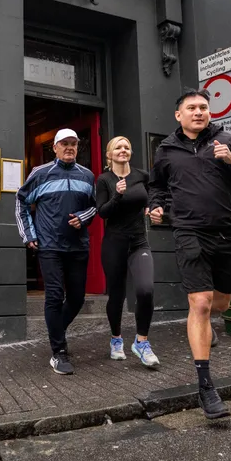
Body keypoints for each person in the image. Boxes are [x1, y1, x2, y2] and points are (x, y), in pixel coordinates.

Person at [148, 88, 231, 420]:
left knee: (220, 304)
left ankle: (207, 331)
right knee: (199, 303)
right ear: (178, 115)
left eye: (203, 107)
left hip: (226, 232)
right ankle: (206, 386)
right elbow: (158, 186)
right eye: (191, 108)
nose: (198, 112)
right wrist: (155, 206)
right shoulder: (166, 150)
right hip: (189, 232)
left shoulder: (226, 140)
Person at [15, 128, 97, 375]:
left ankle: (55, 331)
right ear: (55, 147)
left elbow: (95, 207)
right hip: (49, 245)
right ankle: (58, 351)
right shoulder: (40, 173)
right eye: (65, 143)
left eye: (74, 143)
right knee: (53, 297)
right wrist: (28, 235)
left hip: (78, 246)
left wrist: (83, 217)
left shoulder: (87, 175)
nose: (70, 147)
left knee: (77, 299)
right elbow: (21, 202)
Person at [96, 136, 158, 367]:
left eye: (127, 147)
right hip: (114, 244)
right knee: (117, 296)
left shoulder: (141, 176)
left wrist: (154, 208)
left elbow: (152, 196)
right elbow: (102, 212)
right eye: (118, 147)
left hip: (139, 242)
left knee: (145, 289)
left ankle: (141, 342)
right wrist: (117, 195)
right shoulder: (104, 180)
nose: (123, 150)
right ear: (109, 155)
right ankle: (116, 339)